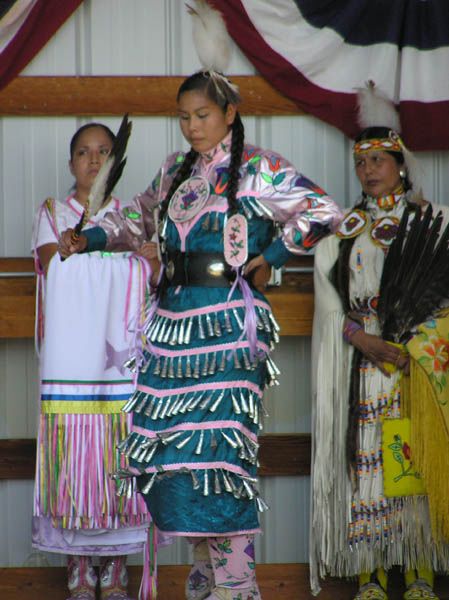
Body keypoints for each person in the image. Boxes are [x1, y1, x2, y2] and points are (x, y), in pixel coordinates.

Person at [59, 71, 343, 600]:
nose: (192, 126)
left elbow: (325, 210)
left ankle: (237, 588)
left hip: (227, 327)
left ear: (229, 114)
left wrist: (273, 257)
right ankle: (201, 587)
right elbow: (140, 222)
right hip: (171, 329)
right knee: (179, 462)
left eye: (203, 115)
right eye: (185, 117)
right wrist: (89, 237)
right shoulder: (174, 171)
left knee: (220, 459)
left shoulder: (261, 169)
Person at [310, 86, 449, 600]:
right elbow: (329, 306)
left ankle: (419, 571)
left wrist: (420, 342)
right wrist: (360, 339)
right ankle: (370, 573)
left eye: (378, 160)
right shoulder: (343, 234)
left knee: (413, 459)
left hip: (420, 362)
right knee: (367, 462)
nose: (369, 170)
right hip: (365, 364)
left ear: (401, 163)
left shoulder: (436, 223)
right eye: (361, 162)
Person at [32, 122, 153, 600]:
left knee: (117, 459)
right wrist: (125, 261)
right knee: (75, 462)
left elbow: (152, 267)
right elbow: (53, 263)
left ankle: (116, 567)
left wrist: (140, 258)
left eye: (105, 150)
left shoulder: (130, 217)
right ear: (71, 164)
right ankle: (81, 568)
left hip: (120, 365)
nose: (95, 159)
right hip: (72, 362)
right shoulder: (54, 213)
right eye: (84, 151)